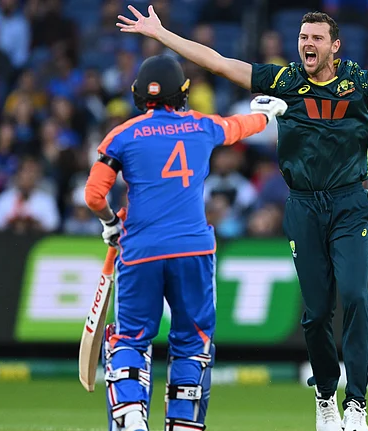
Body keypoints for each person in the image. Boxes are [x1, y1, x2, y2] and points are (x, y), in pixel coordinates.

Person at [117, 6, 368, 431]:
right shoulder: (285, 81)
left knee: (356, 296)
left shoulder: (358, 80)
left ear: (335, 47)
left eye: (317, 38)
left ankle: (356, 404)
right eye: (304, 37)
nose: (308, 43)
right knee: (317, 312)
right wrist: (162, 34)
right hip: (303, 206)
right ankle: (325, 398)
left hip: (349, 204)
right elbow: (220, 62)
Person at [83, 54, 287, 431]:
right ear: (184, 93)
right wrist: (268, 114)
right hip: (193, 250)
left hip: (140, 250)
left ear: (138, 95)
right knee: (193, 343)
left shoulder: (122, 134)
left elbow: (94, 194)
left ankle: (129, 417)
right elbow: (238, 127)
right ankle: (184, 423)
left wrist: (111, 224)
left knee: (130, 339)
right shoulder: (201, 126)